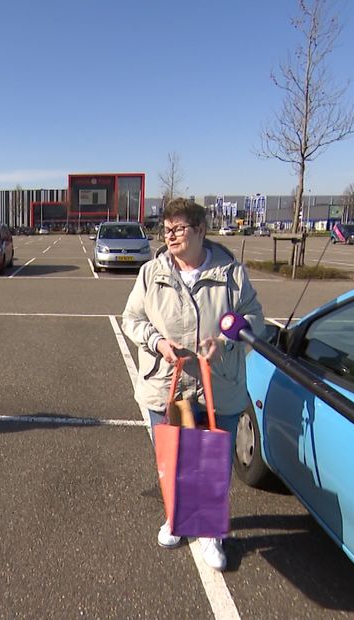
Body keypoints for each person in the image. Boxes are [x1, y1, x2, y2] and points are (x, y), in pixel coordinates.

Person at [122, 198, 264, 571]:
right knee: (172, 459)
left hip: (219, 386)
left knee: (213, 461)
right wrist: (157, 342)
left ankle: (211, 532)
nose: (170, 235)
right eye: (166, 229)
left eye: (179, 228)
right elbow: (132, 318)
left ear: (200, 230)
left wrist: (224, 340)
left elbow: (254, 319)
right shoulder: (152, 273)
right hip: (167, 385)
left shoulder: (231, 274)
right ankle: (178, 518)